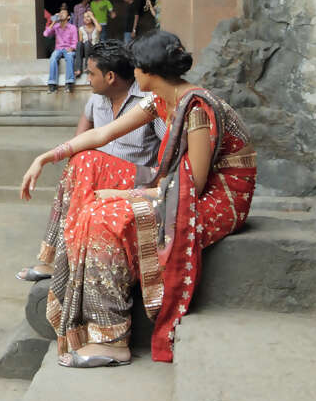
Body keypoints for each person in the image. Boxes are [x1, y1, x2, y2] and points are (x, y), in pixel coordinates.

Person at [19, 31, 256, 366]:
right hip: (174, 185)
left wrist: (122, 194)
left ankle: (112, 339)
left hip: (218, 198)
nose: (133, 75)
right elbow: (103, 134)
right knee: (84, 161)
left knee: (104, 217)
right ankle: (61, 257)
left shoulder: (196, 109)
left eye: (137, 68)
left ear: (149, 72)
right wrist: (46, 157)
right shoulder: (158, 99)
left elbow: (195, 187)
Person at [17, 40, 166, 282]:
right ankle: (53, 260)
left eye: (90, 73)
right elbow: (87, 129)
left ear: (110, 77)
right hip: (96, 174)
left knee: (85, 162)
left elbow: (170, 151)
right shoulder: (97, 98)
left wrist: (154, 188)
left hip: (137, 180)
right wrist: (69, 157)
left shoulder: (148, 102)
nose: (86, 78)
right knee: (81, 163)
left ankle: (60, 264)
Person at [43, 10, 77, 93]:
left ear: (68, 17)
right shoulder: (56, 26)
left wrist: (72, 48)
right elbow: (45, 34)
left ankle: (69, 83)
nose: (61, 14)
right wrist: (54, 22)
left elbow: (75, 41)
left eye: (63, 13)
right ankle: (52, 85)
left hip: (68, 48)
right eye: (60, 13)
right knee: (53, 57)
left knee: (69, 56)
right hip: (58, 49)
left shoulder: (72, 27)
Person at [75, 10, 101, 82]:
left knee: (87, 43)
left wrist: (92, 17)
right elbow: (81, 42)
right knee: (79, 43)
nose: (86, 18)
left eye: (88, 17)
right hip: (85, 50)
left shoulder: (96, 27)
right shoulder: (81, 29)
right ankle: (78, 69)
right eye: (85, 17)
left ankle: (87, 66)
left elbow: (100, 29)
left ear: (92, 18)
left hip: (94, 50)